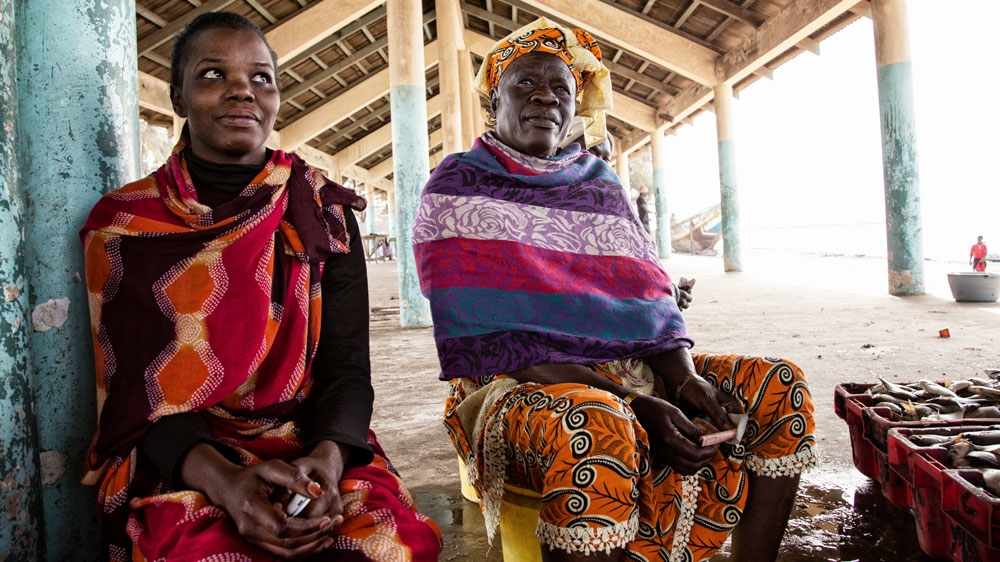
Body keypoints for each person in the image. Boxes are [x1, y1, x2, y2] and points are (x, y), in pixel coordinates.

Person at [412, 18, 817, 562]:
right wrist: (637, 401)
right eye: (526, 84)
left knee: (777, 384)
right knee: (598, 424)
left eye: (561, 88)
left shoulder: (599, 184)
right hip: (514, 383)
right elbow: (498, 341)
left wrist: (685, 377)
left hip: (632, 371)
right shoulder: (458, 184)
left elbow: (646, 294)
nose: (546, 98)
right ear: (494, 100)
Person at [79, 12, 441, 561]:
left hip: (310, 441)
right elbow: (135, 397)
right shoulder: (128, 225)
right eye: (212, 75)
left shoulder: (322, 213)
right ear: (177, 98)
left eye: (261, 78)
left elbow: (347, 368)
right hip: (187, 457)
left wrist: (327, 459)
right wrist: (227, 483)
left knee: (387, 547)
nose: (241, 91)